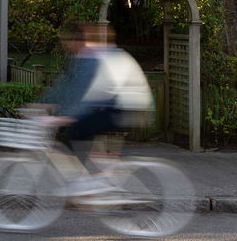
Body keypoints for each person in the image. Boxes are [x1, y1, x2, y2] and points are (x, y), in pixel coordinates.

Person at [36, 22, 154, 195]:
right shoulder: (90, 56)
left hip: (127, 108)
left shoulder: (96, 57)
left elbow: (85, 92)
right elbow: (67, 84)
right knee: (83, 133)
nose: (67, 45)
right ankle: (94, 179)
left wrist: (66, 116)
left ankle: (91, 182)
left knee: (78, 132)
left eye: (70, 41)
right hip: (116, 107)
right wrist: (45, 103)